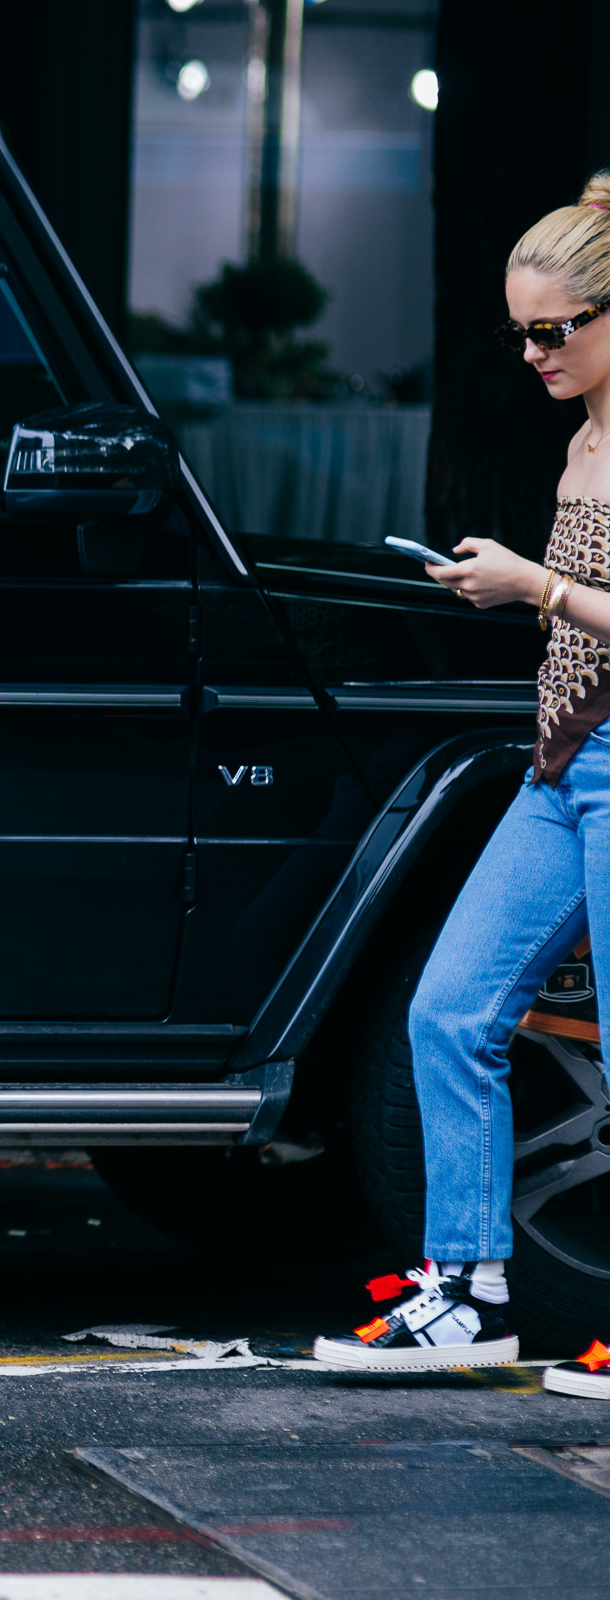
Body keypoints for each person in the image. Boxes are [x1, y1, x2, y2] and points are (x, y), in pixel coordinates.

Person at [311, 172, 610, 1397]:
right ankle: (466, 1294)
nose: (533, 354)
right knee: (449, 1010)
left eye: (554, 330)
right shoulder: (586, 432)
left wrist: (533, 588)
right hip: (563, 761)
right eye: (518, 334)